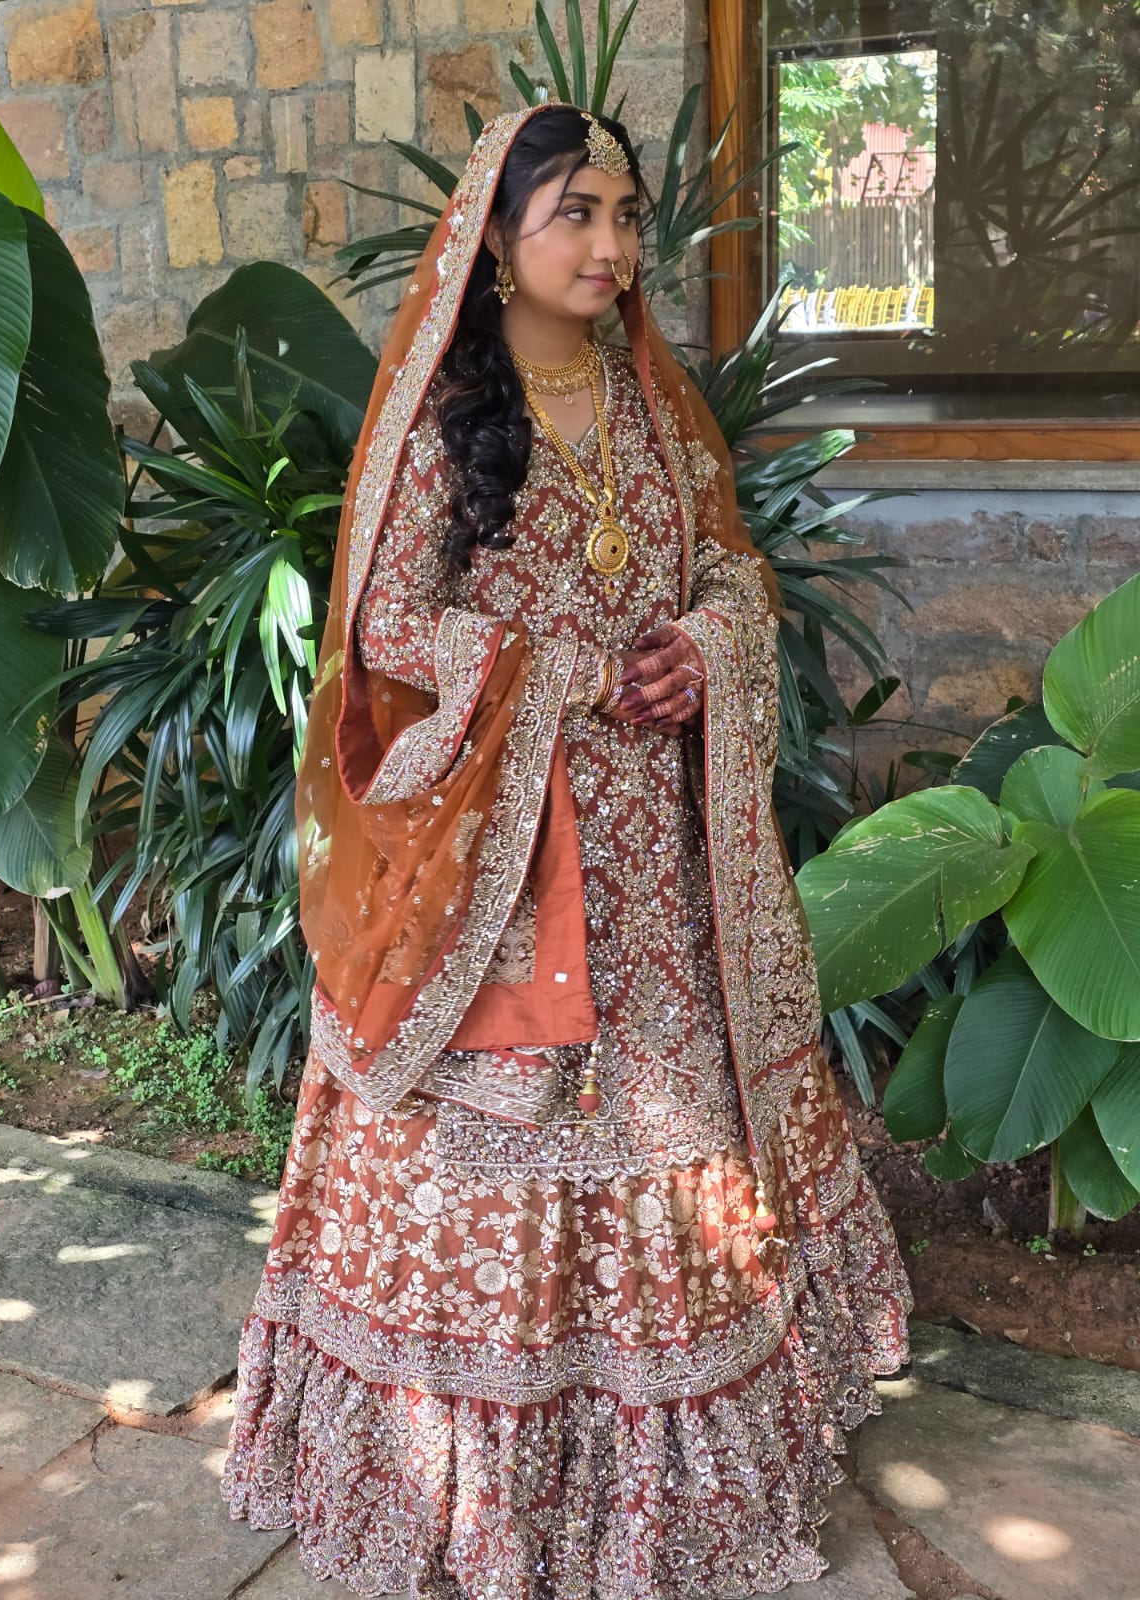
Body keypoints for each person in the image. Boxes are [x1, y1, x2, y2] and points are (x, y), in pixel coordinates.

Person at [220, 102, 913, 1597]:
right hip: (504, 849)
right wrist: (563, 674)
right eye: (576, 215)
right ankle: (475, 1482)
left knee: (664, 1123)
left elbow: (729, 566)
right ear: (497, 237)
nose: (612, 245)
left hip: (661, 857)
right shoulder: (443, 417)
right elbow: (387, 626)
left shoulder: (652, 400)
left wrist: (707, 643)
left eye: (626, 215)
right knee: (503, 1127)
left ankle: (662, 1476)